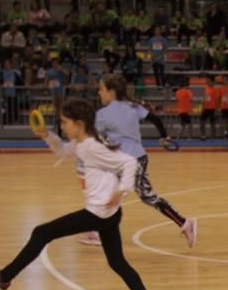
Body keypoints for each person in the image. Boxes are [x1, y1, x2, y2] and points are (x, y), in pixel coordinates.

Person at [0, 98, 166, 290]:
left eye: (65, 122)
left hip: (98, 212)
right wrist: (46, 135)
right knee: (117, 262)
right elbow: (65, 152)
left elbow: (129, 163)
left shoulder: (93, 146)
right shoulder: (83, 143)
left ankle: (3, 278)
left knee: (41, 233)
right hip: (110, 212)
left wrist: (121, 190)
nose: (62, 126)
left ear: (79, 123)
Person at [83, 74, 197, 247]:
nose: (99, 93)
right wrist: (164, 136)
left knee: (115, 193)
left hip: (127, 162)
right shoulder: (132, 106)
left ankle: (98, 231)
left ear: (111, 92)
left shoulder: (104, 114)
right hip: (138, 158)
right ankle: (185, 223)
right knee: (144, 196)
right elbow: (155, 118)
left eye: (101, 89)